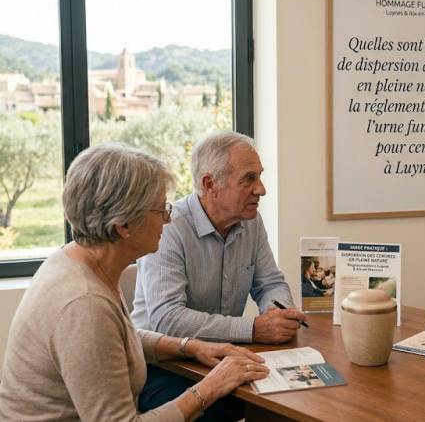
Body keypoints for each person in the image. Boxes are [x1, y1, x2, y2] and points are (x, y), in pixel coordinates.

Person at [0, 144, 269, 422]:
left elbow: (117, 339)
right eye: (160, 210)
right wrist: (210, 388)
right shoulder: (84, 305)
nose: (169, 218)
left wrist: (189, 346)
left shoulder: (75, 261)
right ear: (123, 225)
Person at [131, 131, 306, 414]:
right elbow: (167, 319)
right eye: (249, 178)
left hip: (224, 360)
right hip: (163, 367)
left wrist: (278, 312)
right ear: (209, 183)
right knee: (235, 410)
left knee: (290, 402)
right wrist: (253, 329)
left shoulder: (251, 221)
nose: (261, 189)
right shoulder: (168, 227)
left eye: (260, 176)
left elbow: (269, 282)